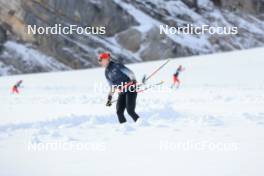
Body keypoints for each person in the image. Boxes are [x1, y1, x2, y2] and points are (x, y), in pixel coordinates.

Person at [98, 52, 140, 124]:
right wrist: (109, 98)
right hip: (122, 92)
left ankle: (141, 123)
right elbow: (112, 86)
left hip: (131, 89)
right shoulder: (106, 72)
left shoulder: (117, 65)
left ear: (107, 59)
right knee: (119, 112)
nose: (100, 62)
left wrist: (133, 80)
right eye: (99, 60)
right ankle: (125, 128)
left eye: (101, 60)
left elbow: (130, 73)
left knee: (130, 111)